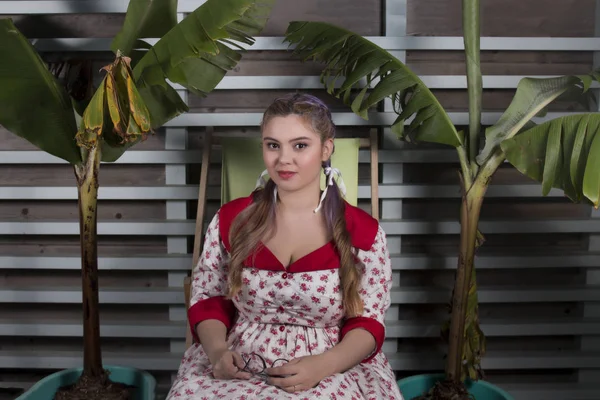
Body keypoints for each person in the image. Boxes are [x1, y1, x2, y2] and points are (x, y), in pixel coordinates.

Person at [167, 93, 403, 399]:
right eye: (272, 145)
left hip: (333, 365)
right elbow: (210, 298)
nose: (283, 159)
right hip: (240, 362)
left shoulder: (363, 233)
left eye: (300, 145)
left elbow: (368, 320)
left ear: (326, 148)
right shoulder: (231, 221)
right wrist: (217, 353)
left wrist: (323, 366)